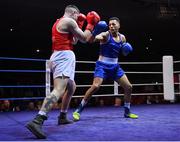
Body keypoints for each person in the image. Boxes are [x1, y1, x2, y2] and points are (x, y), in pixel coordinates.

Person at [26, 5, 100, 139]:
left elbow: (75, 41)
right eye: (77, 15)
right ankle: (38, 120)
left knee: (71, 86)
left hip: (61, 55)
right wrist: (90, 24)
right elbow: (84, 38)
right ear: (73, 13)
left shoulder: (60, 22)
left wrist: (81, 23)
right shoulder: (69, 21)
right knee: (59, 89)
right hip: (63, 56)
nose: (79, 17)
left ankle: (62, 116)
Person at [73, 17, 138, 121]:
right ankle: (78, 110)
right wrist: (95, 33)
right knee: (95, 86)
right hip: (102, 65)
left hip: (115, 67)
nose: (111, 26)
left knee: (129, 87)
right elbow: (93, 39)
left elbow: (123, 52)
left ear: (119, 25)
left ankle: (127, 112)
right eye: (110, 24)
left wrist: (126, 50)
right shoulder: (105, 35)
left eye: (113, 24)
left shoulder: (123, 38)